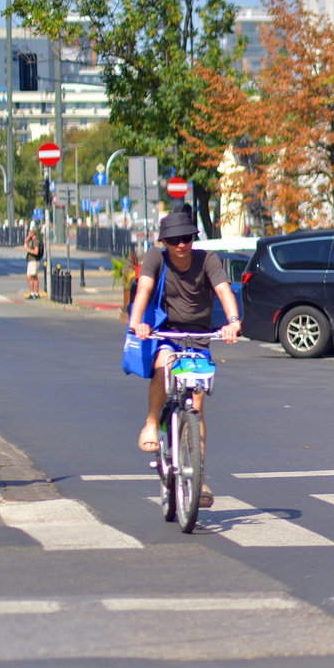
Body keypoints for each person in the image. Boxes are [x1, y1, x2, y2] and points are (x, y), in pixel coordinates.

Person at [128, 211, 241, 506]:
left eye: (187, 238)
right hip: (165, 333)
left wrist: (232, 321)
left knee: (198, 404)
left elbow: (223, 291)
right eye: (175, 240)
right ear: (165, 241)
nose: (182, 245)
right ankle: (152, 422)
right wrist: (137, 321)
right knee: (164, 365)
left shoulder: (208, 261)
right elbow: (144, 289)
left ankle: (199, 478)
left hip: (199, 338)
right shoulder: (156, 257)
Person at [23, 225, 44, 299]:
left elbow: (36, 252)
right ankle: (33, 293)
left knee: (33, 276)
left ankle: (36, 293)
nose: (29, 233)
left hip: (34, 261)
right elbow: (25, 243)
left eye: (30, 232)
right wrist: (28, 238)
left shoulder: (36, 241)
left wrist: (27, 250)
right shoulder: (31, 240)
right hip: (30, 261)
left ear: (33, 233)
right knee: (30, 277)